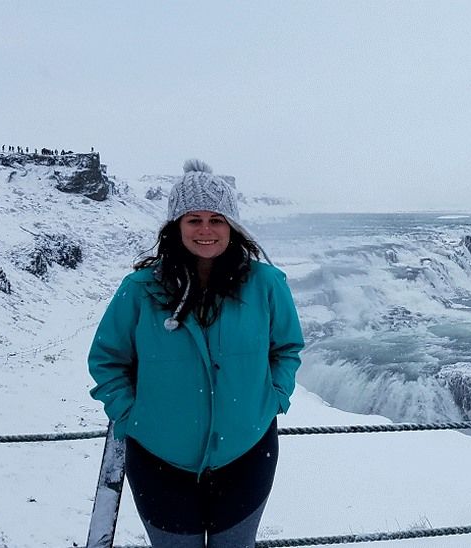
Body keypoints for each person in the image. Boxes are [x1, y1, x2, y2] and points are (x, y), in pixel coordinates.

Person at [88, 159, 304, 547]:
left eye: (216, 219)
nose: (206, 230)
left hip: (247, 454)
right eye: (194, 219)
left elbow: (286, 348)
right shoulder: (140, 289)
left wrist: (273, 398)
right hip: (159, 461)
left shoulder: (266, 284)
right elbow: (107, 360)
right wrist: (131, 416)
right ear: (176, 226)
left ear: (232, 227)